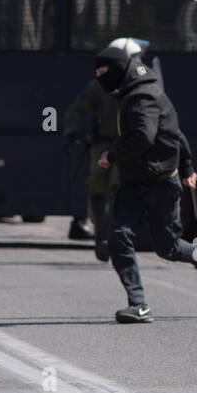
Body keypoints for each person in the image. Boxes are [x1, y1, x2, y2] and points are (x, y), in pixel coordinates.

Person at [93, 37, 197, 324]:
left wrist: (111, 156)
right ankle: (138, 304)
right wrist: (187, 166)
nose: (100, 79)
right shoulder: (132, 92)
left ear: (119, 69)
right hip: (133, 183)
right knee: (118, 236)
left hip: (161, 183)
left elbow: (145, 137)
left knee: (168, 247)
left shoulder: (142, 97)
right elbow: (175, 131)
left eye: (103, 73)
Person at [65, 45, 123, 260]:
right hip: (102, 146)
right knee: (98, 193)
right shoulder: (97, 87)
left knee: (118, 191)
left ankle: (115, 237)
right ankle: (101, 236)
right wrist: (71, 131)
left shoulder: (131, 85)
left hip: (125, 147)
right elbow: (77, 109)